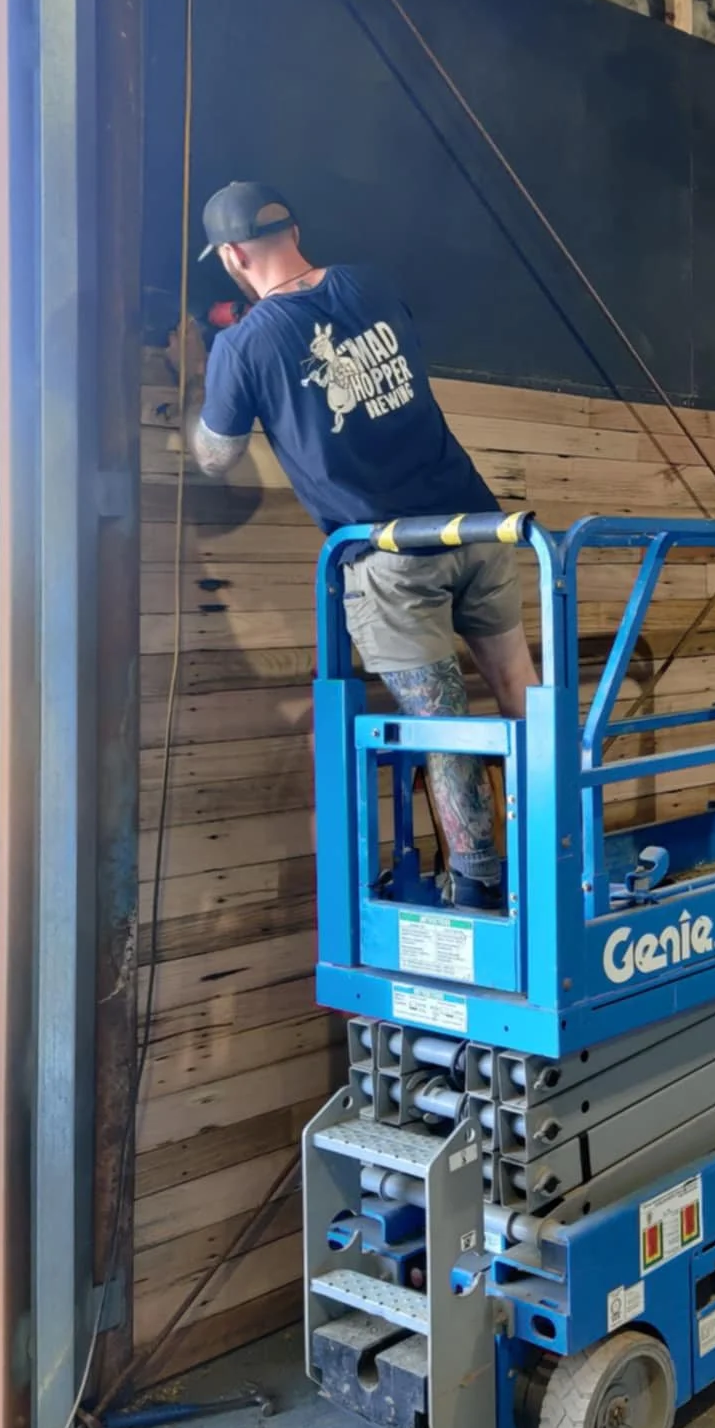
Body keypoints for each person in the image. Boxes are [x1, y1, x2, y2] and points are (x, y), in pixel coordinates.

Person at [171, 180, 536, 909]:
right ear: (293, 228)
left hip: (391, 555)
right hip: (478, 526)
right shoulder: (370, 281)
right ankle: (559, 851)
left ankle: (481, 894)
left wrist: (203, 375)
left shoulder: (243, 345)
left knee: (444, 725)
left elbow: (216, 458)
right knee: (524, 697)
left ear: (235, 256)